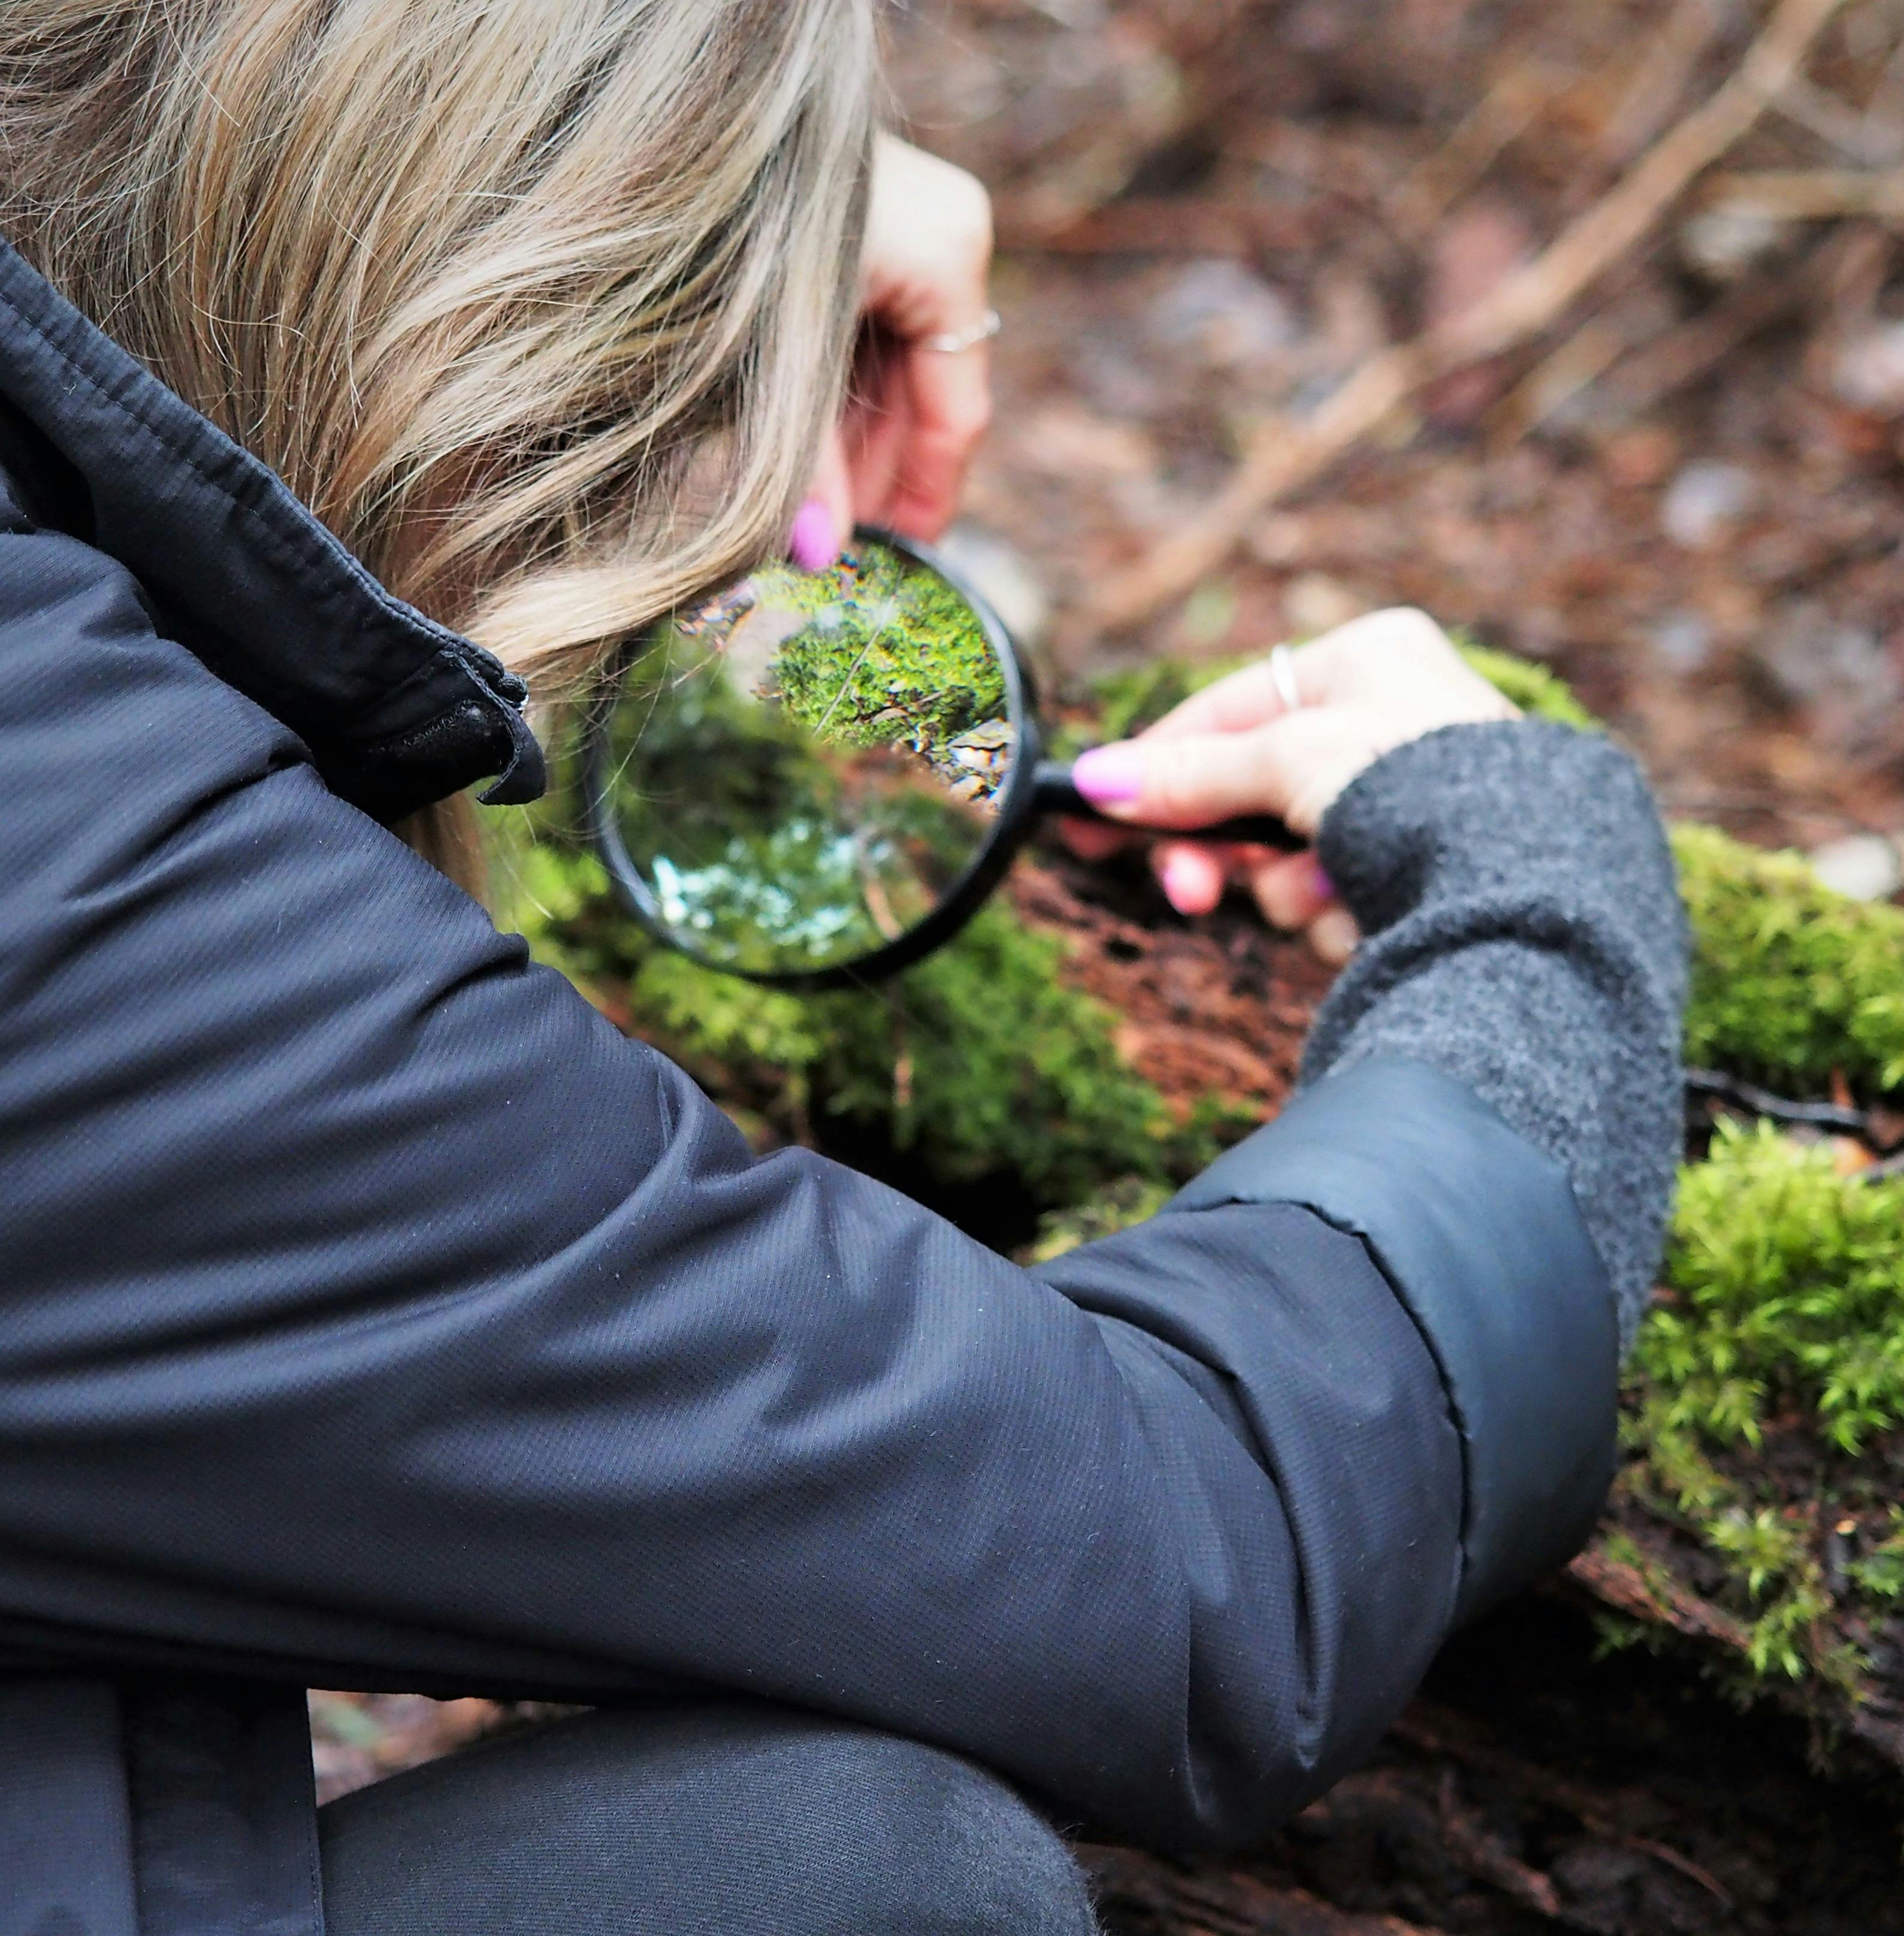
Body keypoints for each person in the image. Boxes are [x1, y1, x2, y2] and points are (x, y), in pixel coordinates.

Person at [0, 3, 1688, 1932]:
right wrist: (1538, 901)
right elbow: (1194, 1556)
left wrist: (700, 188)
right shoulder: (95, 895)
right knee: (872, 1897)